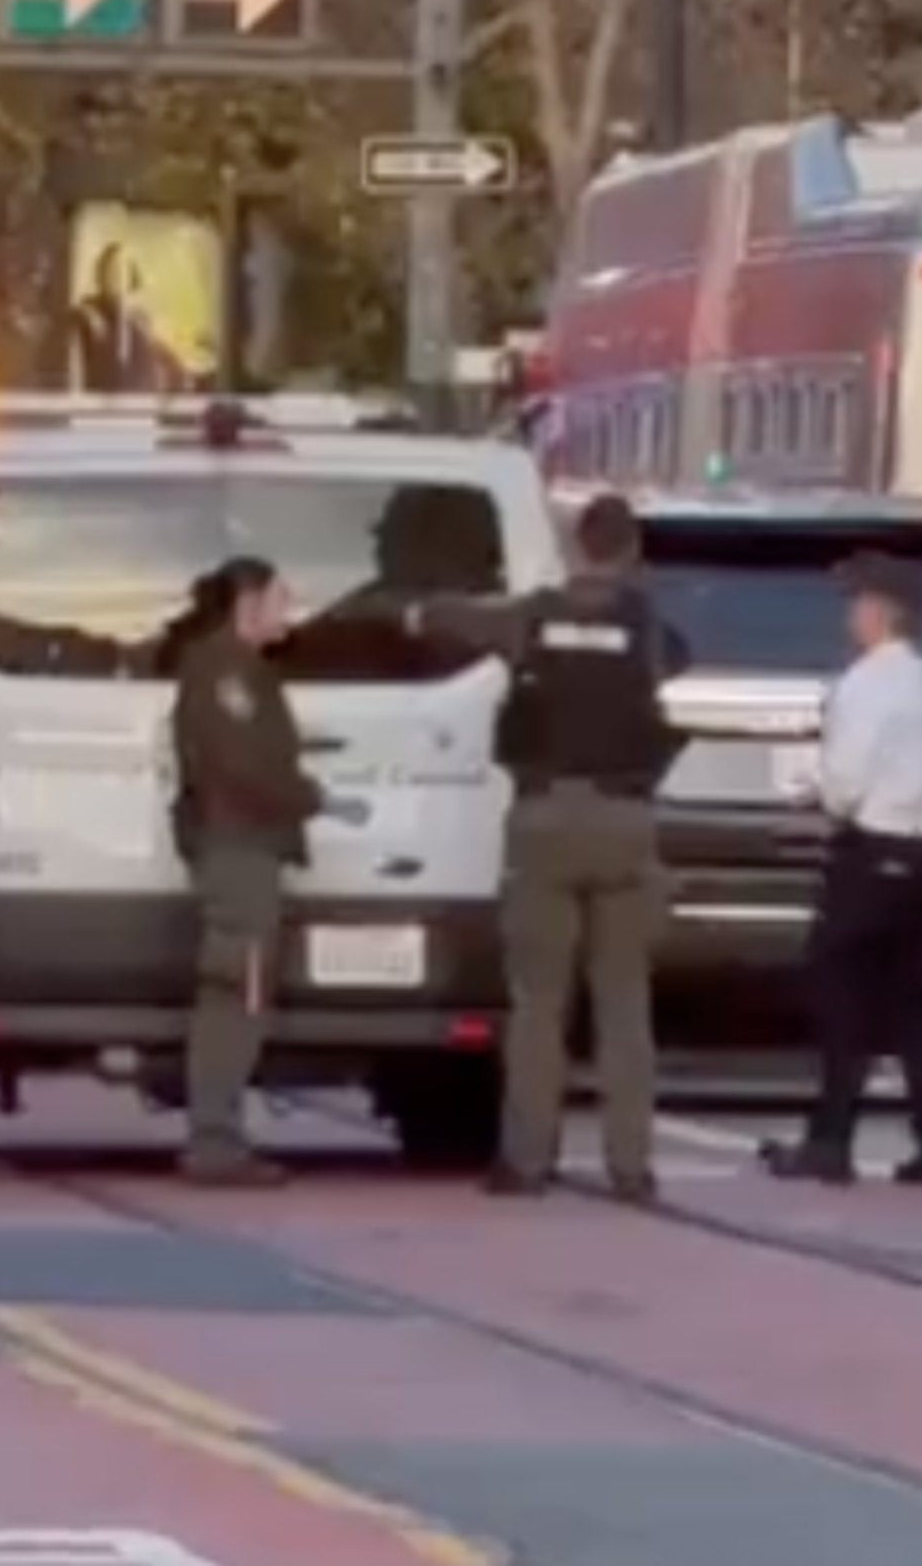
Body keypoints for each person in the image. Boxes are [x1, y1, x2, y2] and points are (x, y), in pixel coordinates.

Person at [403, 488, 684, 1201]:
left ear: (574, 548)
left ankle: (527, 1160)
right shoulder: (647, 624)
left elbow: (456, 619)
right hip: (625, 823)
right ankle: (631, 1166)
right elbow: (669, 670)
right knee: (624, 1001)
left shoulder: (533, 617)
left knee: (537, 1001)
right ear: (632, 552)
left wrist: (415, 609)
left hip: (544, 820)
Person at [763, 553, 922, 1186]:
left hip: (871, 850)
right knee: (907, 1002)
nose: (850, 615)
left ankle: (831, 1139)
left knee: (838, 993)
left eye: (856, 604)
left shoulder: (862, 684)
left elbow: (845, 787)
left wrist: (811, 788)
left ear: (880, 613)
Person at [167, 555, 335, 1186]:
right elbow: (242, 764)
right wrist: (307, 797)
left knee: (240, 993)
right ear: (248, 604)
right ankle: (215, 1139)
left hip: (245, 849)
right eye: (279, 600)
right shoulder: (225, 672)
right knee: (236, 995)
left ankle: (220, 1131)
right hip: (238, 851)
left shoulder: (236, 669)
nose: (287, 614)